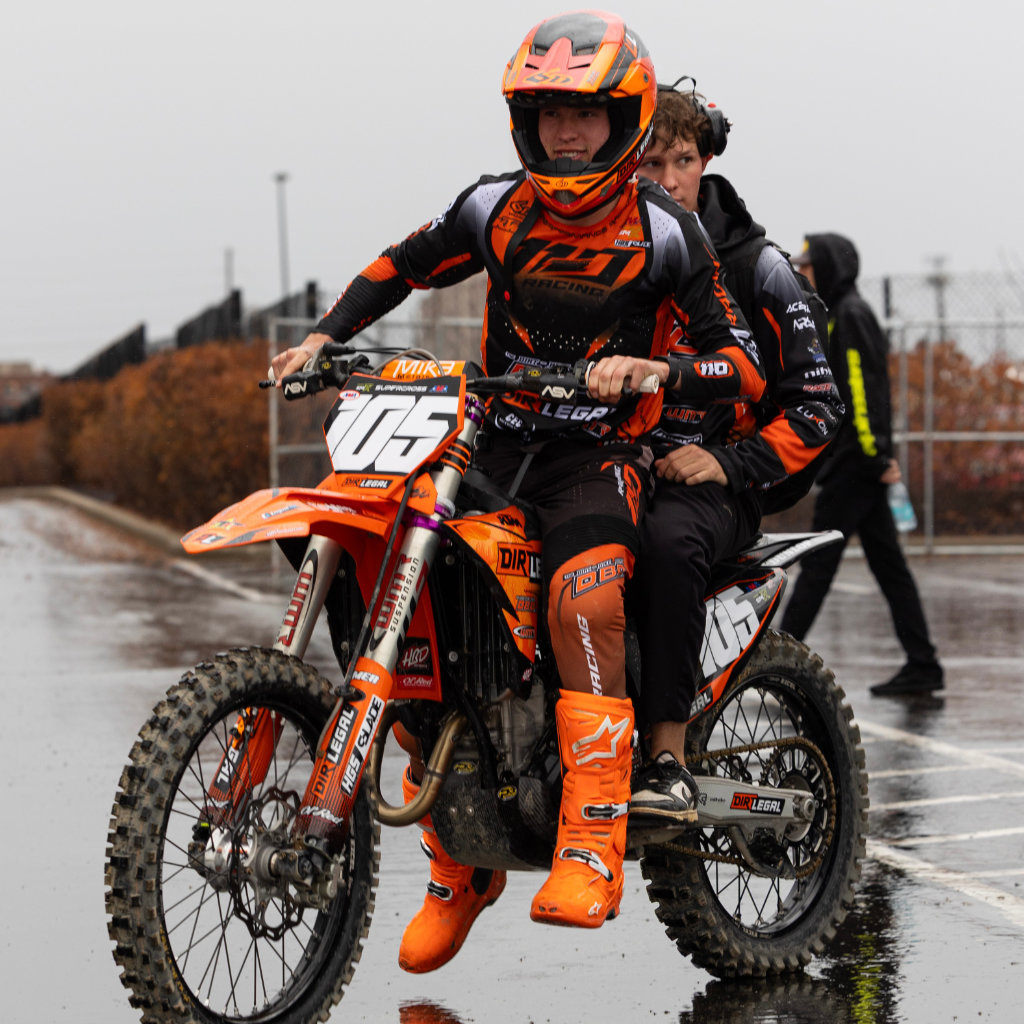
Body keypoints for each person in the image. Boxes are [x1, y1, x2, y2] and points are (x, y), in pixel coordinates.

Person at [270, 11, 764, 969]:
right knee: (411, 604)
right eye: (545, 114)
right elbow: (398, 266)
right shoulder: (494, 208)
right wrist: (330, 336)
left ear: (622, 119)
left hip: (599, 459)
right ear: (521, 121)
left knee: (587, 591)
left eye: (583, 115)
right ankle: (457, 861)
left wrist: (658, 375)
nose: (564, 134)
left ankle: (592, 837)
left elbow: (738, 366)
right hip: (492, 440)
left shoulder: (670, 230)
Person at [625, 81, 844, 819]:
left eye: (679, 160)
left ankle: (665, 756)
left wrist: (728, 464)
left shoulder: (760, 268)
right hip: (614, 467)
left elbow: (817, 406)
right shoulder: (612, 260)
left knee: (667, 539)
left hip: (717, 489)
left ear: (706, 159)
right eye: (647, 164)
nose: (665, 179)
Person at [778, 233, 944, 696]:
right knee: (889, 568)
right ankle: (923, 664)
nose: (803, 272)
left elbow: (862, 395)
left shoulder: (849, 316)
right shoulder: (841, 313)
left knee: (815, 569)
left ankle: (775, 663)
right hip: (859, 465)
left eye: (810, 266)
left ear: (830, 267)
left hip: (856, 467)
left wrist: (875, 456)